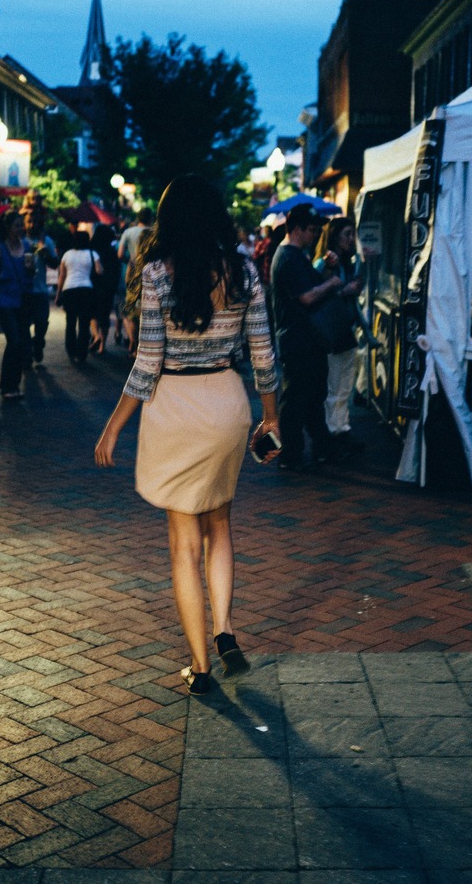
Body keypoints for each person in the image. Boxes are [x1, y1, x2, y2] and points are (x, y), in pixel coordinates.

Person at [94, 176, 280, 696]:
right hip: (226, 403)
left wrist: (113, 427)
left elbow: (147, 361)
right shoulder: (244, 272)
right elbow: (264, 354)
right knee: (219, 523)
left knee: (183, 544)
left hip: (174, 407)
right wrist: (272, 418)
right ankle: (225, 631)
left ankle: (200, 671)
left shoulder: (155, 273)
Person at [270, 203, 354, 471]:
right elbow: (306, 297)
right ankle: (290, 454)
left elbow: (309, 287)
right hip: (297, 340)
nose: (317, 235)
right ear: (296, 229)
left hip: (309, 339)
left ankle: (322, 448)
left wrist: (327, 272)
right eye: (312, 230)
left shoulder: (297, 256)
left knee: (313, 396)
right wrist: (332, 283)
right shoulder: (288, 258)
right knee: (295, 400)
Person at [314, 216, 367, 454]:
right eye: (346, 234)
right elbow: (315, 293)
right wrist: (344, 289)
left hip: (345, 329)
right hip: (331, 332)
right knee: (334, 383)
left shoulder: (348, 262)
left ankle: (341, 428)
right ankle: (332, 432)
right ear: (334, 236)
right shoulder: (323, 262)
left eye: (352, 234)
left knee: (344, 382)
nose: (350, 239)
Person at [0, 212, 33, 399]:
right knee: (13, 340)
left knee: (21, 342)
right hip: (5, 300)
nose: (20, 229)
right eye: (16, 226)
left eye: (21, 225)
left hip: (23, 299)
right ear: (8, 228)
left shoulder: (27, 246)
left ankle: (14, 384)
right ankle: (6, 385)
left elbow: (31, 273)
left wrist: (32, 267)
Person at [56, 229, 101, 364]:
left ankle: (70, 349)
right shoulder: (93, 254)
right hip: (86, 290)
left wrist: (58, 294)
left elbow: (62, 276)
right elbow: (99, 270)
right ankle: (82, 353)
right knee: (84, 323)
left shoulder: (67, 254)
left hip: (69, 290)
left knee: (70, 322)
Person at [23, 209, 57, 368]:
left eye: (35, 222)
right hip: (24, 291)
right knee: (24, 324)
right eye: (29, 221)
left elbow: (54, 264)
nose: (32, 225)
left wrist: (44, 253)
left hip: (41, 290)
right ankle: (28, 351)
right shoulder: (19, 240)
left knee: (42, 322)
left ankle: (38, 343)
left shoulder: (47, 241)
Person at [117, 207, 154, 346]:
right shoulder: (154, 233)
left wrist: (130, 262)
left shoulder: (128, 232)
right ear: (151, 218)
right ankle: (142, 342)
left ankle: (133, 341)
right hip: (151, 274)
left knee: (131, 309)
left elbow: (120, 255)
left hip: (132, 274)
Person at [89, 223, 119, 354]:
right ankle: (102, 346)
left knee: (93, 314)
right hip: (108, 288)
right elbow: (116, 270)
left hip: (93, 286)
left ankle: (95, 336)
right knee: (105, 316)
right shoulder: (112, 251)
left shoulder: (91, 250)